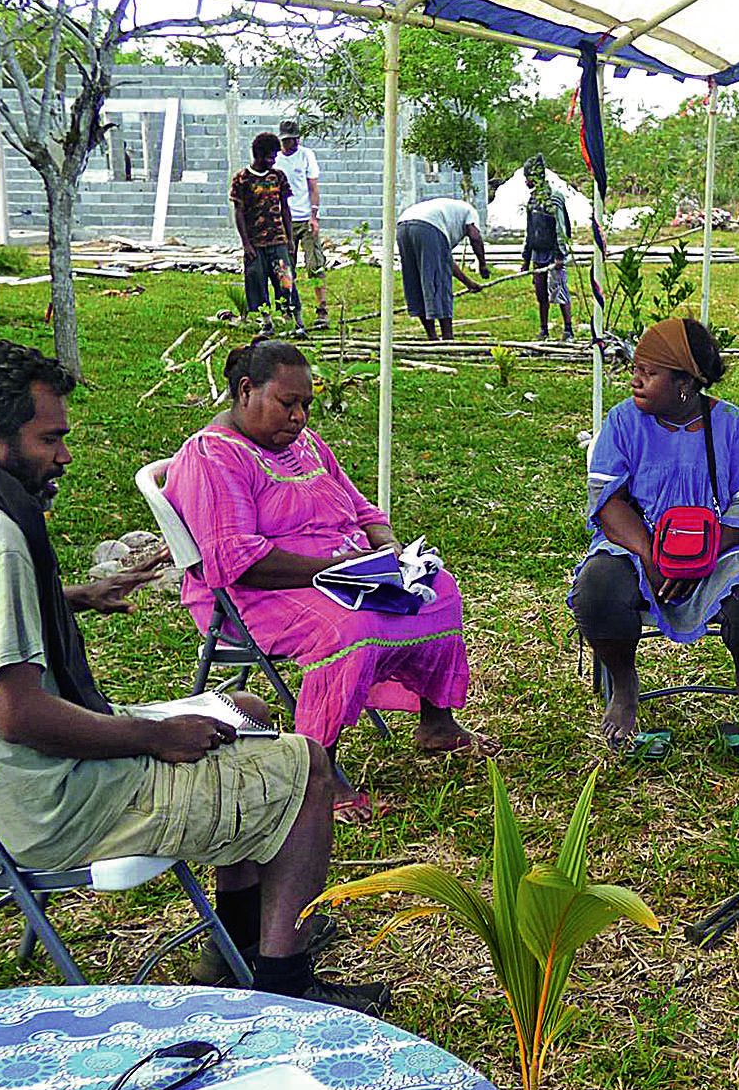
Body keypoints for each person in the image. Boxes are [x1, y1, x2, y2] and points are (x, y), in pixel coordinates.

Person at [0, 341, 383, 1011]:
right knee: (308, 764)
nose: (63, 454)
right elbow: (18, 714)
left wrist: (70, 597)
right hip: (52, 805)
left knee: (246, 710)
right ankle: (284, 986)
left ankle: (229, 950)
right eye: (50, 438)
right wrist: (153, 736)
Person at [163, 340, 493, 804]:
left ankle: (436, 722)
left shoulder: (307, 445)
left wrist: (389, 548)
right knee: (349, 626)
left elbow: (361, 507)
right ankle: (320, 764)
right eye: (288, 403)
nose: (299, 417)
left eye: (306, 405)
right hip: (263, 594)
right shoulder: (213, 457)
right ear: (244, 391)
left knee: (437, 589)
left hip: (346, 573)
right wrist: (336, 570)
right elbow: (239, 562)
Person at [570, 317, 739, 756]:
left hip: (719, 548)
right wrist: (653, 555)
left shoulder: (730, 426)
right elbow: (607, 503)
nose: (635, 379)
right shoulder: (623, 423)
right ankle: (625, 686)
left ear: (685, 382)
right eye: (636, 368)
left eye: (649, 372)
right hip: (636, 548)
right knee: (598, 589)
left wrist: (698, 559)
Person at [230, 132, 305, 335]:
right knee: (256, 281)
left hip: (277, 240)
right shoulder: (241, 179)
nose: (272, 161)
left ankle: (298, 322)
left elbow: (285, 209)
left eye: (274, 157)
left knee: (285, 280)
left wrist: (289, 239)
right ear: (258, 155)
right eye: (269, 156)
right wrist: (246, 244)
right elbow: (238, 212)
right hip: (255, 243)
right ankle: (266, 322)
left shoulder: (278, 177)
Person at [397, 194, 490, 342]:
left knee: (415, 282)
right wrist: (482, 264)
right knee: (438, 283)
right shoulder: (469, 211)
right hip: (428, 226)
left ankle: (432, 337)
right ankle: (448, 338)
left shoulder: (447, 212)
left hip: (403, 225)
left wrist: (469, 283)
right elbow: (475, 237)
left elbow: (445, 261)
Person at [273, 118, 327, 329]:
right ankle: (288, 308)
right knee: (286, 266)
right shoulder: (275, 159)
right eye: (287, 141)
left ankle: (322, 309)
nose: (290, 144)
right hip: (284, 219)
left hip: (305, 217)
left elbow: (313, 186)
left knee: (315, 264)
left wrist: (314, 215)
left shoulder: (306, 156)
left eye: (294, 140)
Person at [520, 155, 576, 343]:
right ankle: (544, 330)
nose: (526, 181)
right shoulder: (533, 200)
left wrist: (559, 255)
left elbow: (560, 228)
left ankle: (568, 329)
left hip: (554, 253)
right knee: (541, 292)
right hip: (538, 253)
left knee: (559, 290)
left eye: (528, 177)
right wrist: (526, 259)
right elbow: (530, 231)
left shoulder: (553, 198)